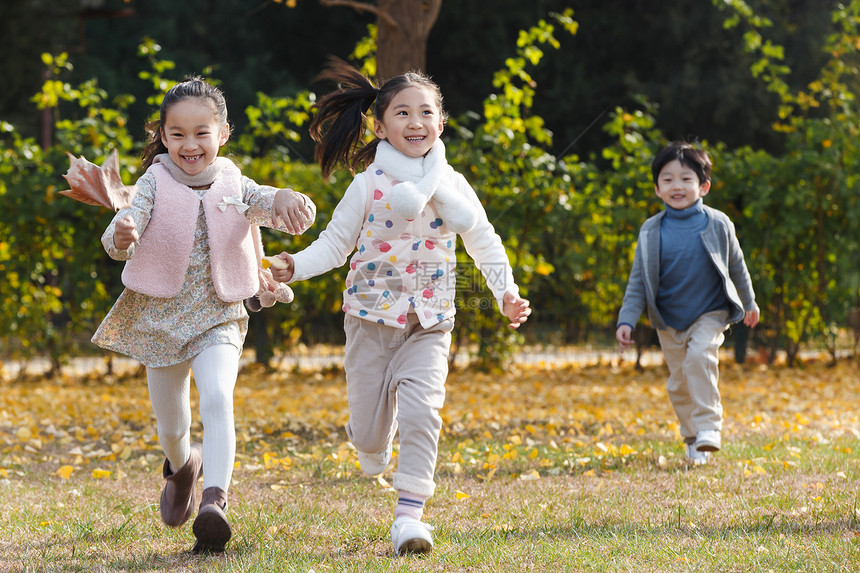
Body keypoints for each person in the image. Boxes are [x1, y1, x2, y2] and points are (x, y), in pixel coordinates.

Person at [268, 58, 531, 555]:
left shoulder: (452, 186)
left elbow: (484, 240)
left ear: (441, 121)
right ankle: (372, 441)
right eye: (403, 113)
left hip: (430, 323)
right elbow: (333, 245)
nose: (416, 123)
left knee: (423, 412)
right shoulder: (368, 184)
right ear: (380, 124)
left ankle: (410, 517)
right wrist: (295, 267)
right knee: (368, 439)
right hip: (369, 322)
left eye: (426, 112)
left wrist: (506, 291)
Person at [91, 77, 315, 553]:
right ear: (164, 136)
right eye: (177, 134)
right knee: (172, 428)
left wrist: (289, 198)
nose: (189, 145)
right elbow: (123, 225)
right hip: (160, 319)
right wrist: (122, 235)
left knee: (217, 397)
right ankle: (182, 467)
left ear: (223, 132)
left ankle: (215, 501)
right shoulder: (153, 182)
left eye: (201, 133)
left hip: (219, 314)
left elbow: (266, 201)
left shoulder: (234, 180)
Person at [616, 141, 759, 466]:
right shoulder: (651, 231)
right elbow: (638, 280)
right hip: (668, 320)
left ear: (703, 185)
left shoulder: (718, 223)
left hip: (710, 312)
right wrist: (627, 320)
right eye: (667, 179)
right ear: (657, 188)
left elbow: (737, 265)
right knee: (678, 383)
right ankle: (692, 437)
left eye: (686, 179)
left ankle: (710, 428)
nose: (677, 186)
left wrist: (749, 301)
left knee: (700, 356)